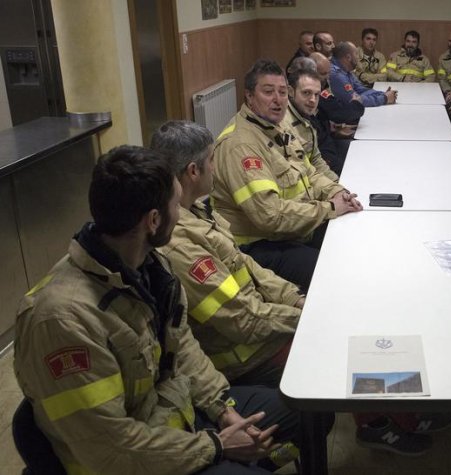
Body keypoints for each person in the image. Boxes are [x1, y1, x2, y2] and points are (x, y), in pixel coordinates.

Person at [14, 145, 305, 474]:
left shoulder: (149, 267)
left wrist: (223, 410)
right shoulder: (63, 320)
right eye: (177, 205)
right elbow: (112, 450)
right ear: (153, 220)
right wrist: (218, 447)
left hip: (180, 418)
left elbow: (183, 350)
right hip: (138, 460)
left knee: (305, 412)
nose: (182, 216)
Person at [152, 121, 305, 388]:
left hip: (263, 329)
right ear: (193, 172)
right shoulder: (178, 244)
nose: (215, 167)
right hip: (246, 359)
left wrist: (294, 299)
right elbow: (242, 320)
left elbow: (248, 267)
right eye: (211, 160)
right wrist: (305, 318)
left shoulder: (196, 209)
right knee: (331, 352)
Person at [212, 59, 362, 291]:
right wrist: (329, 209)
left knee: (354, 237)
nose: (277, 99)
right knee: (335, 269)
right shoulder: (241, 146)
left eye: (282, 92)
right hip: (258, 246)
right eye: (268, 92)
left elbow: (309, 171)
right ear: (249, 97)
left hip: (293, 227)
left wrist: (338, 192)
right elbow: (270, 217)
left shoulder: (277, 126)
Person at [281, 69, 341, 180]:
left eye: (317, 95)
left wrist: (337, 185)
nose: (313, 100)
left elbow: (316, 160)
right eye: (306, 93)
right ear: (290, 91)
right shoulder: (283, 123)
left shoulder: (306, 117)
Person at [329, 41, 397, 108]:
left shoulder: (346, 70)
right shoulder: (336, 75)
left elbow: (361, 90)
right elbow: (355, 101)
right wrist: (384, 98)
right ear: (348, 57)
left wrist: (383, 94)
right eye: (356, 54)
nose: (358, 57)